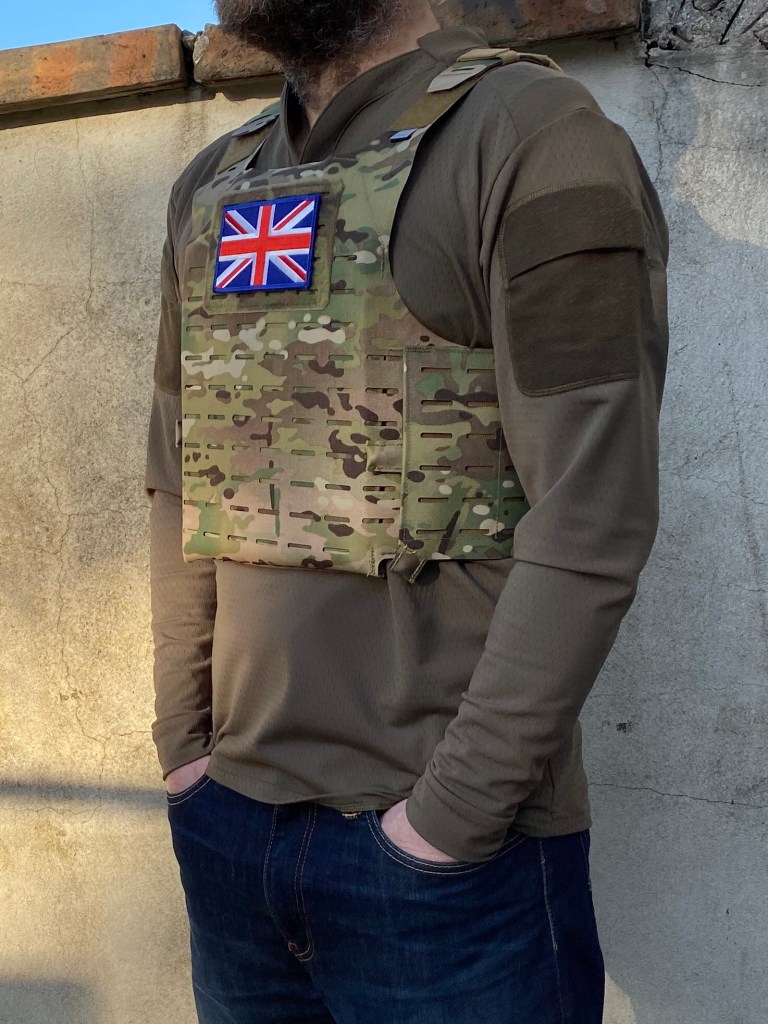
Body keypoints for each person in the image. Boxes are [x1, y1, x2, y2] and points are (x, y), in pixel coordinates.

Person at [146, 0, 669, 1020]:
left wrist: (450, 819)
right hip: (229, 832)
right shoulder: (212, 182)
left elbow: (593, 507)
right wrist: (184, 749)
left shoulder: (532, 135)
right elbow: (179, 475)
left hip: (446, 869)